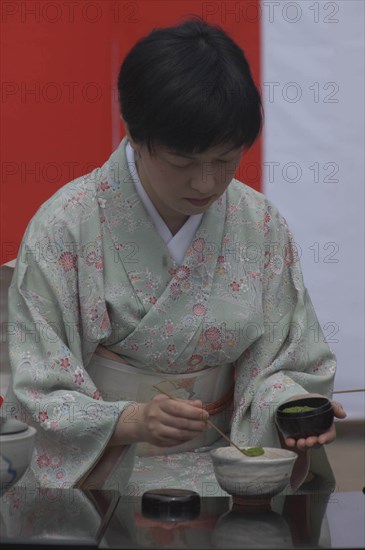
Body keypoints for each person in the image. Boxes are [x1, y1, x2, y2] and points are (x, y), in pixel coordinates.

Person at [2, 17, 346, 496]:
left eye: (226, 160)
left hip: (233, 477)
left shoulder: (259, 224)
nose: (206, 183)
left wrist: (291, 405)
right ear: (137, 137)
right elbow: (35, 384)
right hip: (104, 481)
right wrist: (133, 419)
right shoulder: (66, 227)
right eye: (184, 163)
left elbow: (288, 358)